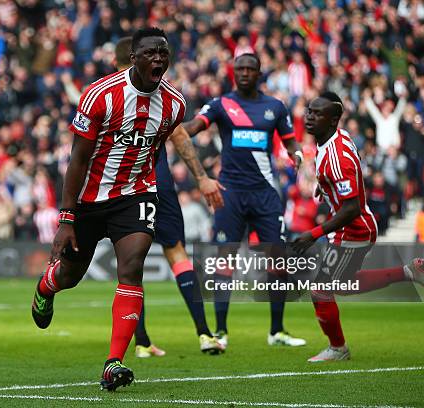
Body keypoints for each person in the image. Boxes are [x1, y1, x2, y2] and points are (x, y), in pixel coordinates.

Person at [30, 28, 186, 391]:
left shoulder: (175, 104)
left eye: (164, 53)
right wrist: (66, 219)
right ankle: (46, 286)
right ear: (134, 58)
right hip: (88, 199)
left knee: (132, 267)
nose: (159, 59)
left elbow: (156, 149)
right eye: (151, 53)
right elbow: (77, 159)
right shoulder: (100, 96)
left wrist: (142, 180)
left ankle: (113, 363)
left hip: (136, 194)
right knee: (69, 276)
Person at [293, 92, 424, 362]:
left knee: (320, 290)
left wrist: (313, 234)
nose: (310, 117)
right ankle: (409, 272)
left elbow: (350, 207)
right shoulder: (334, 139)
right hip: (353, 224)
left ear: (334, 119)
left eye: (317, 113)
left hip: (354, 228)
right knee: (339, 284)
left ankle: (338, 349)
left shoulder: (336, 156)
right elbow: (343, 175)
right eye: (309, 111)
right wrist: (324, 186)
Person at [173, 53, 306, 349]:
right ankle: (220, 331)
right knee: (224, 261)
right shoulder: (222, 104)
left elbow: (289, 139)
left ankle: (277, 330)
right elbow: (196, 125)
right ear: (234, 73)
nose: (245, 72)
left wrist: (296, 154)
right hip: (229, 193)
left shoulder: (275, 107)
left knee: (278, 260)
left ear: (259, 73)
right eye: (240, 68)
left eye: (250, 68)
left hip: (265, 194)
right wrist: (180, 129)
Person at [105, 37, 225, 358]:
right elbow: (179, 134)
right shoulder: (157, 94)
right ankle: (204, 334)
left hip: (121, 190)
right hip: (157, 181)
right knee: (176, 252)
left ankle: (141, 342)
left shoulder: (105, 94)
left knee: (131, 264)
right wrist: (201, 178)